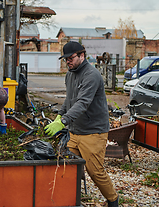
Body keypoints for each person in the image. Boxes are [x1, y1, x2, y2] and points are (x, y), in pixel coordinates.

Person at [44, 41, 119, 207]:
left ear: (82, 55)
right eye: (65, 59)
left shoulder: (91, 75)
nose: (68, 62)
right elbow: (70, 101)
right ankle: (70, 199)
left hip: (93, 132)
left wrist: (63, 121)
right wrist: (59, 116)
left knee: (95, 171)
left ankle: (113, 200)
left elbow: (83, 102)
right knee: (66, 166)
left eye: (70, 58)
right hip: (75, 131)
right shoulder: (70, 74)